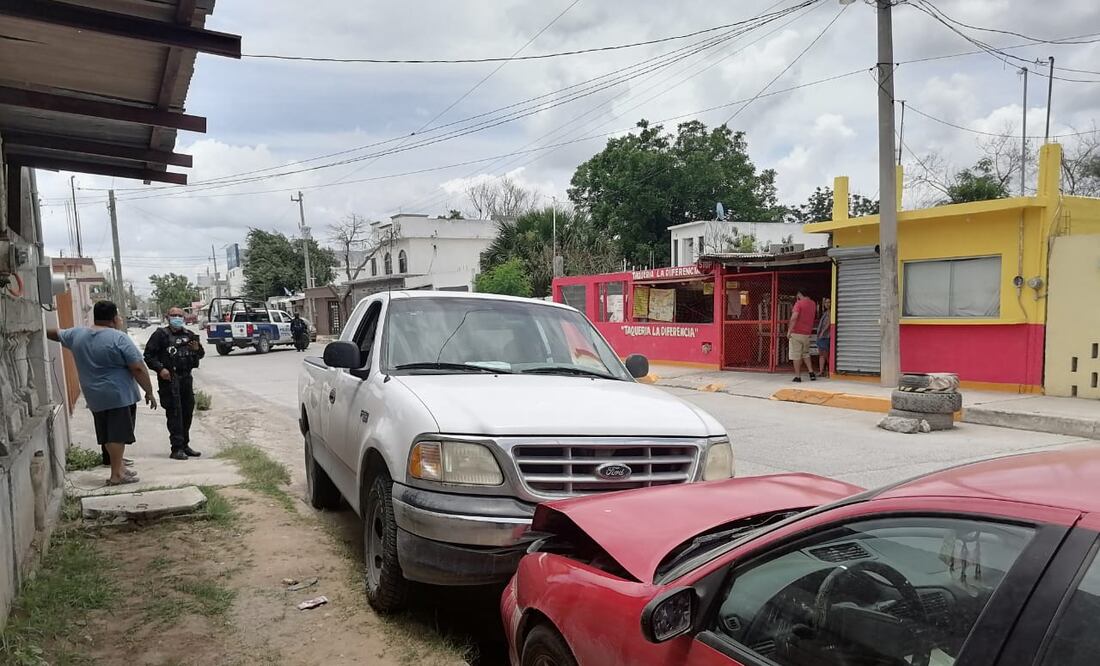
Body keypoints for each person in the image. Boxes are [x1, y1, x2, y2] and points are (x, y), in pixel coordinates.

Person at [46, 301, 157, 485]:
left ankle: (119, 468)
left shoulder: (77, 334)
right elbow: (137, 367)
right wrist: (149, 391)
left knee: (106, 433)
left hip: (94, 395)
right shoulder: (118, 338)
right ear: (114, 318)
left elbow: (54, 333)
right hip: (118, 394)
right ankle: (116, 475)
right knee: (117, 435)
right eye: (119, 316)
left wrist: (36, 329)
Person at [144, 306, 205, 460]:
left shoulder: (189, 334)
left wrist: (197, 349)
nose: (177, 318)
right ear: (167, 317)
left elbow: (200, 354)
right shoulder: (161, 335)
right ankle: (176, 447)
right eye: (173, 315)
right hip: (170, 379)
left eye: (179, 315)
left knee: (187, 411)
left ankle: (185, 444)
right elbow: (149, 356)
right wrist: (160, 369)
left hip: (185, 378)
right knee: (175, 413)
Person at [788, 290, 817, 383]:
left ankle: (797, 377)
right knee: (806, 353)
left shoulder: (799, 304)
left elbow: (794, 317)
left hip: (796, 333)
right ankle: (811, 373)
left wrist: (789, 331)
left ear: (800, 294)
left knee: (796, 355)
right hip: (807, 334)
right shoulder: (813, 304)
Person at [815, 297, 832, 378]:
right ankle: (821, 371)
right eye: (826, 302)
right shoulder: (825, 312)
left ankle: (829, 371)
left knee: (826, 355)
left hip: (825, 336)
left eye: (829, 302)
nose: (827, 304)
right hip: (821, 337)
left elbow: (829, 323)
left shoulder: (830, 313)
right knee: (821, 354)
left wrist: (822, 332)